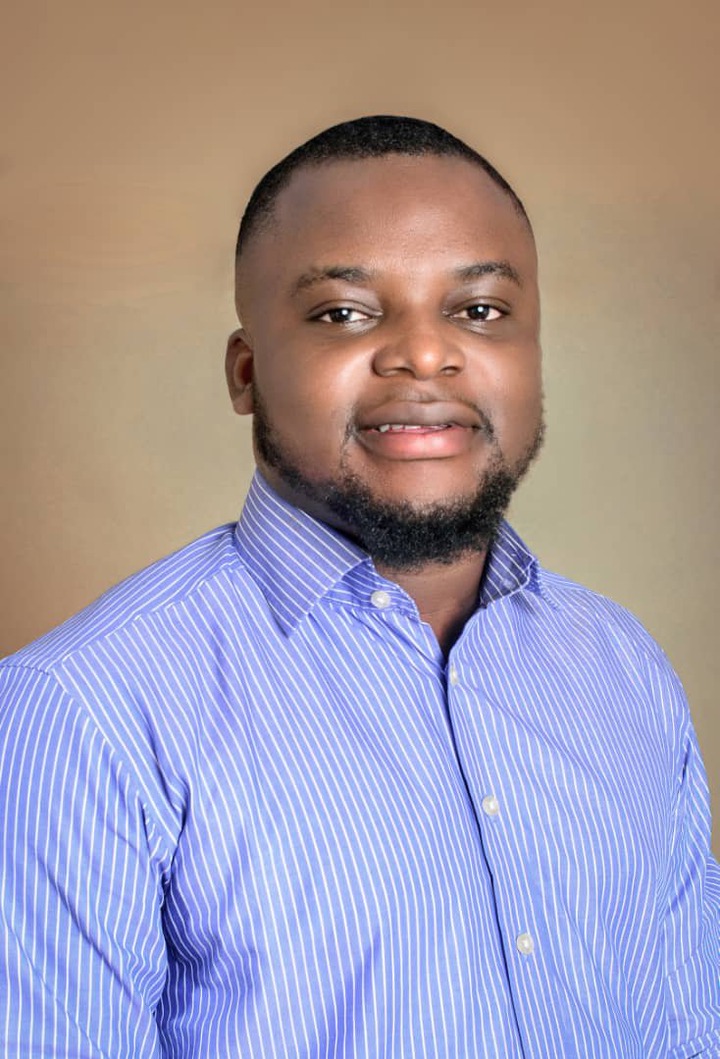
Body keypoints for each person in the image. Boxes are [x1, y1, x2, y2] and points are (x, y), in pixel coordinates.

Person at [0, 116, 717, 1058]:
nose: (424, 355)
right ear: (246, 372)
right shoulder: (79, 713)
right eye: (344, 313)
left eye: (480, 310)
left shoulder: (624, 667)